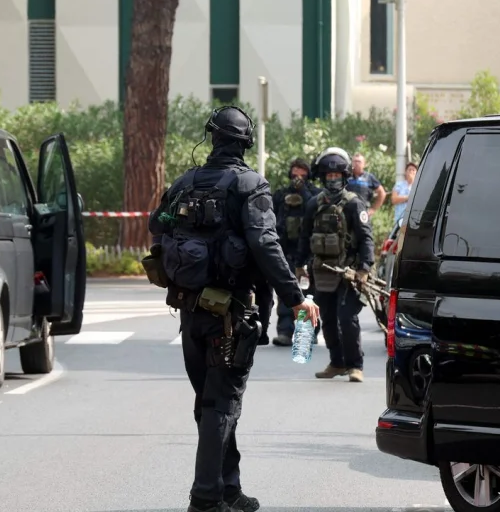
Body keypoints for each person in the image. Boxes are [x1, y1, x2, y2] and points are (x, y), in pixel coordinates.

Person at [149, 105, 319, 512]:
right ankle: (206, 499)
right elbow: (265, 244)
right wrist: (297, 298)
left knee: (210, 403)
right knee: (221, 405)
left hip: (189, 312)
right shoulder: (250, 185)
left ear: (211, 137)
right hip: (230, 315)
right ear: (245, 142)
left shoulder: (184, 182)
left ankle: (228, 488)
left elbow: (159, 225)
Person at [299, 148, 375, 382]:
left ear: (344, 177)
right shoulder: (314, 204)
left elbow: (366, 237)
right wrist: (299, 264)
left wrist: (364, 268)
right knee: (328, 318)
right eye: (329, 177)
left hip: (350, 273)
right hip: (323, 272)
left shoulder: (354, 204)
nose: (333, 181)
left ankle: (355, 365)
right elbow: (304, 236)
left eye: (337, 177)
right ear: (323, 178)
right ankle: (337, 362)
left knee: (346, 318)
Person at [270, 158, 320, 347]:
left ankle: (309, 332)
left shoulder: (315, 195)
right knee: (285, 292)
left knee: (309, 295)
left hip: (308, 253)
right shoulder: (281, 195)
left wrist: (303, 192)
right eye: (295, 171)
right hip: (285, 251)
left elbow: (314, 211)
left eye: (302, 172)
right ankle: (285, 331)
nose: (298, 176)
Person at [345, 152, 387, 216]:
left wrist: (373, 209)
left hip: (363, 212)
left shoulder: (369, 177)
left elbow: (382, 193)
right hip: (346, 212)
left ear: (364, 164)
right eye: (354, 161)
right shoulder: (346, 176)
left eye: (359, 162)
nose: (356, 164)